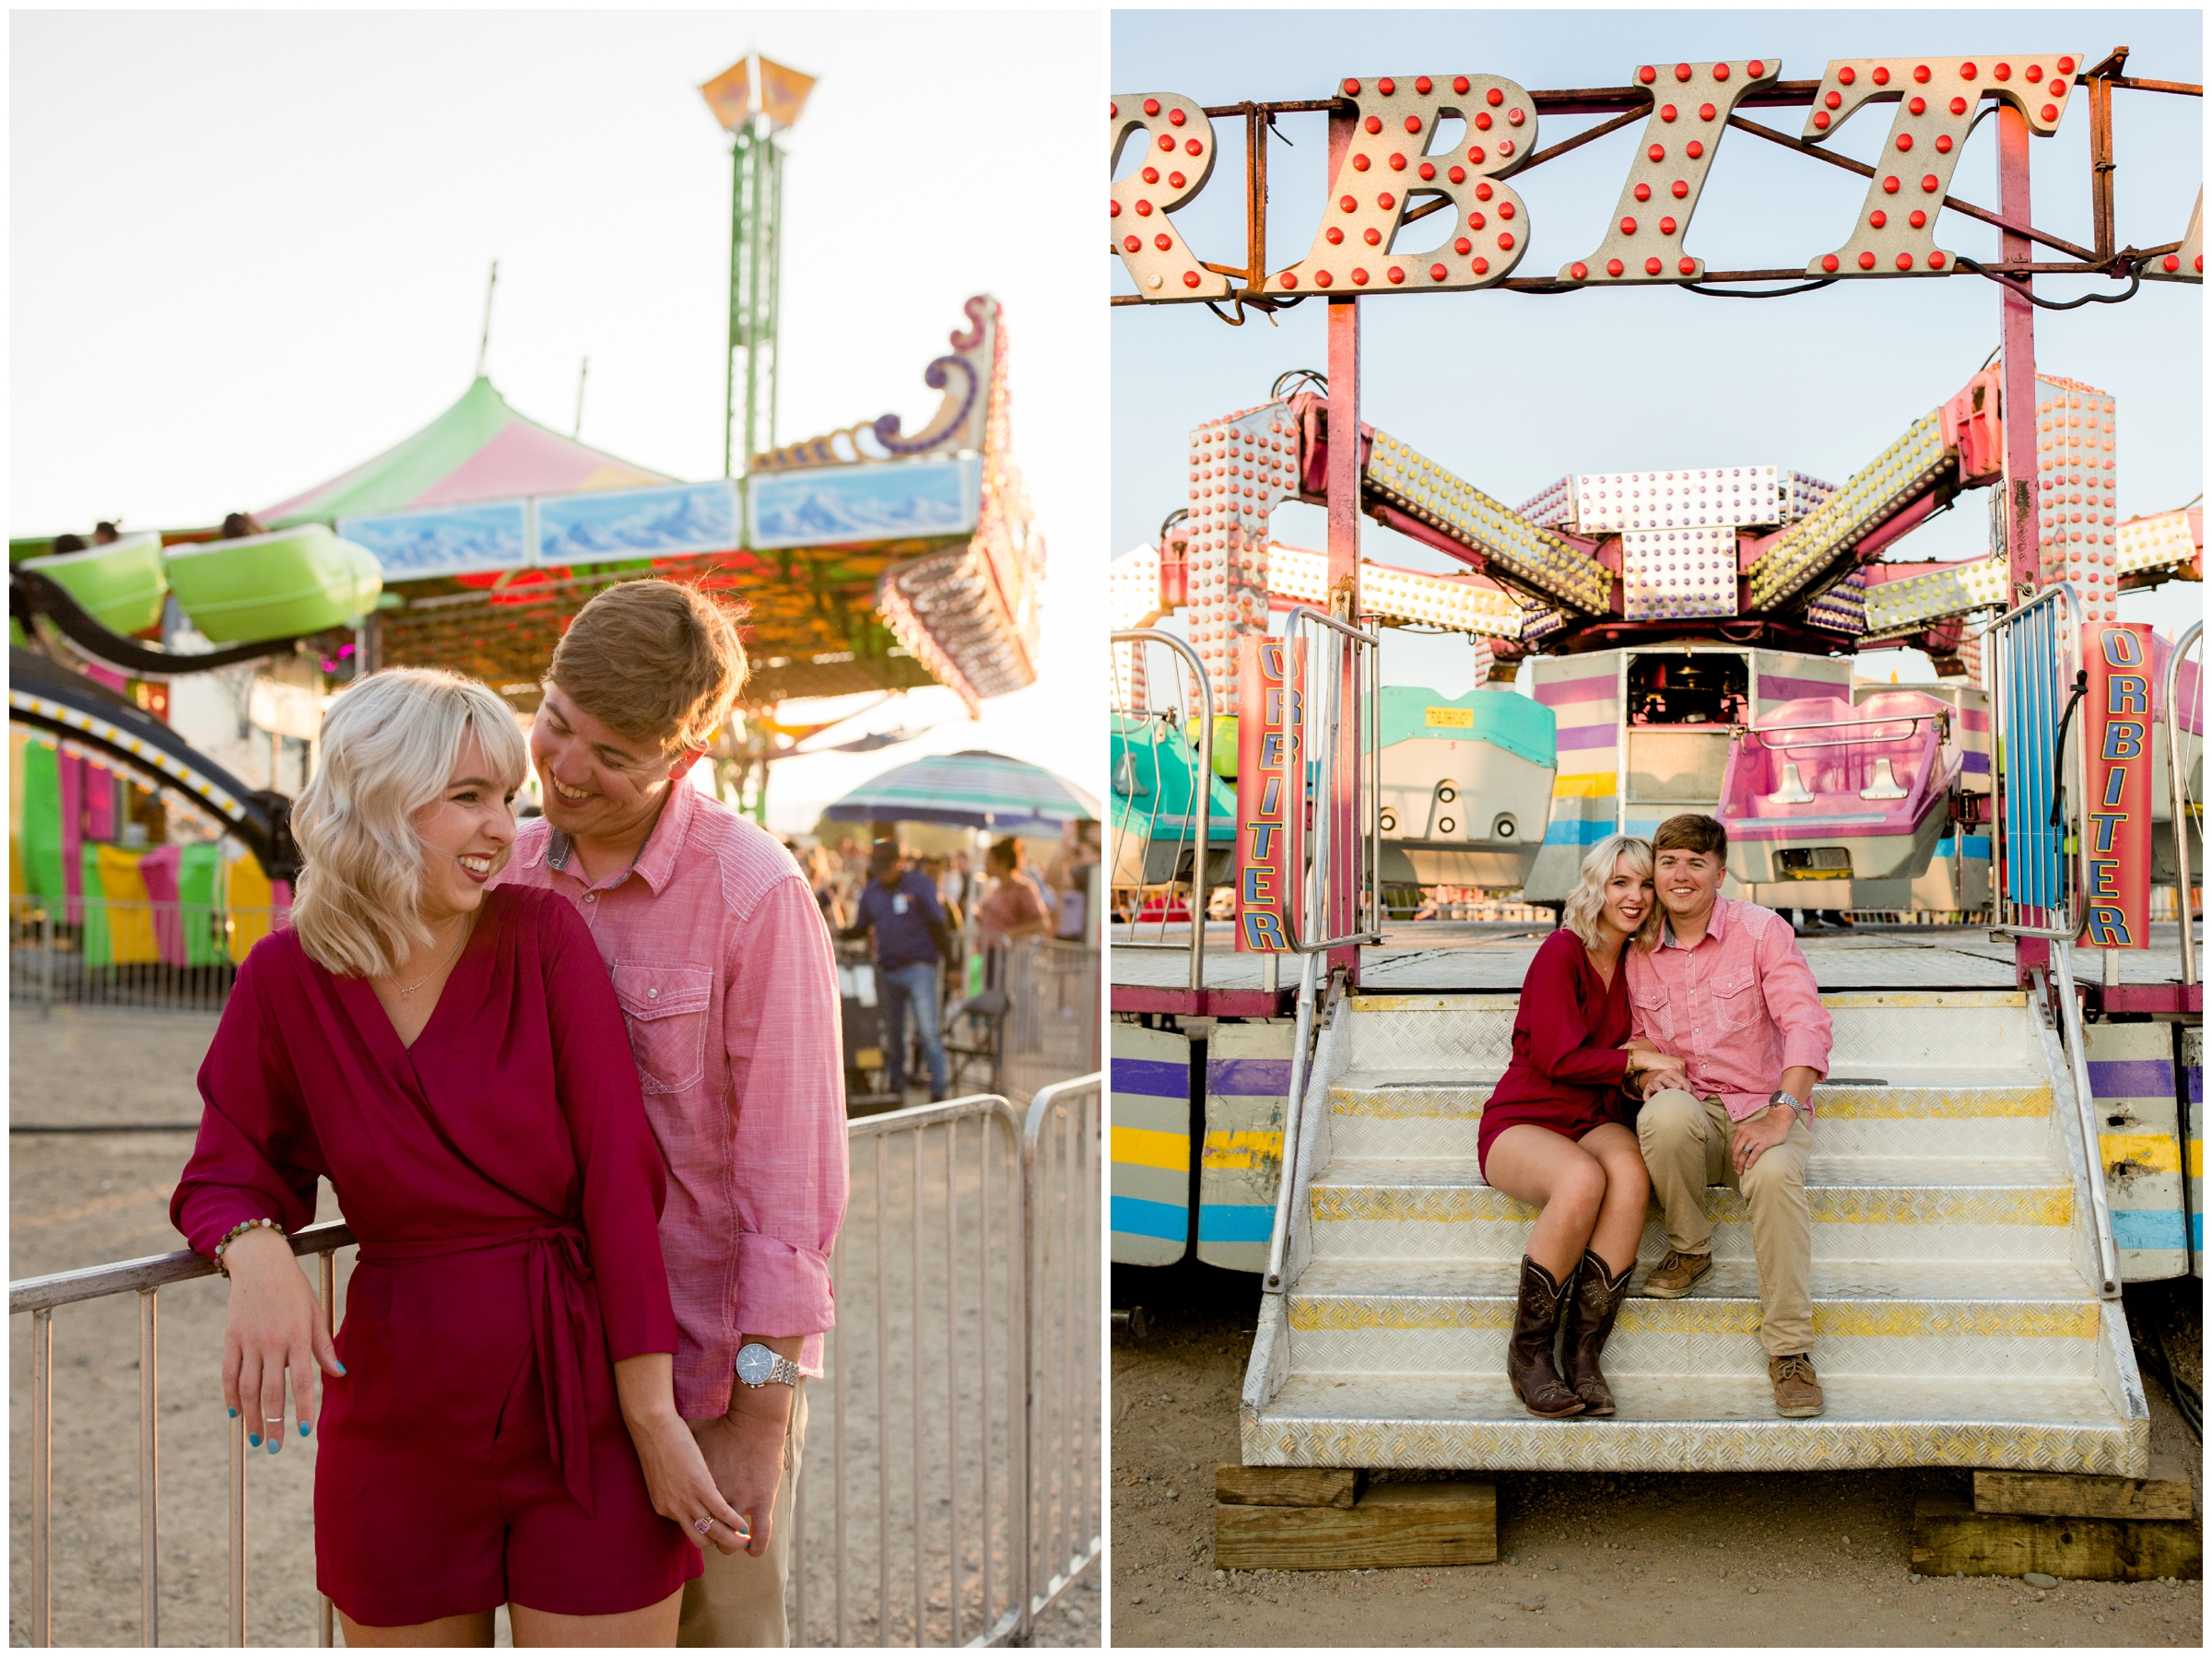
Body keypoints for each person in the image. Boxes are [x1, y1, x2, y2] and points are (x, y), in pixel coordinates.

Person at [172, 668, 745, 1645]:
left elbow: (617, 1186)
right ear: (382, 798)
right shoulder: (285, 976)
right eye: (468, 797)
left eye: (508, 798)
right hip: (398, 1413)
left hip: (585, 1409)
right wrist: (259, 1253)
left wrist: (652, 1418)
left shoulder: (544, 938)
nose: (503, 828)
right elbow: (229, 1166)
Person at [492, 579, 849, 1647]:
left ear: (683, 758)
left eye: (612, 755)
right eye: (556, 722)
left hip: (702, 1381)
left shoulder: (753, 894)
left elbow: (790, 1199)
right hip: (540, 1366)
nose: (563, 766)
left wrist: (757, 1416)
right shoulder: (503, 872)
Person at [1625, 813, 1833, 1419]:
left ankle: (1790, 1351)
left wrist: (1782, 1112)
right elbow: (1628, 1037)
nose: (1681, 874)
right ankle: (1690, 1248)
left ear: (1720, 872)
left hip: (1761, 1105)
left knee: (1771, 1178)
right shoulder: (1638, 947)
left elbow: (1806, 1023)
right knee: (1662, 1114)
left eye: (1696, 862)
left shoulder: (1761, 931)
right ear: (1654, 871)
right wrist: (1645, 1067)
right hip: (1694, 1115)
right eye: (1669, 862)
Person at [1481, 834, 1683, 1417]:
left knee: (1629, 1174)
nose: (1636, 896)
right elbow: (1557, 1056)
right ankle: (1530, 1354)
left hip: (1595, 1112)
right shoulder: (1560, 952)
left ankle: (1585, 1354)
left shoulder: (1636, 963)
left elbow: (1643, 1047)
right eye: (1621, 882)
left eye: (1646, 885)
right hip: (1526, 1116)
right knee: (1581, 1180)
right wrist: (1636, 1059)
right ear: (1596, 887)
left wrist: (1648, 1077)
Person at [841, 840, 952, 1102]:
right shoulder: (872, 891)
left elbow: (939, 925)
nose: (882, 872)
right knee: (893, 1032)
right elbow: (860, 927)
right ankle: (896, 1085)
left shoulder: (921, 885)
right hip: (888, 969)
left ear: (899, 863)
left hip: (920, 968)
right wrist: (834, 930)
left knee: (927, 1030)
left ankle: (939, 1089)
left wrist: (953, 966)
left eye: (886, 866)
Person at [975, 836, 1053, 940]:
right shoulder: (997, 889)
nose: (985, 864)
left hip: (1008, 954)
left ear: (1002, 863)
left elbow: (1042, 923)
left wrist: (1011, 933)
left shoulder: (1023, 890)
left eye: (989, 860)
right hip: (989, 951)